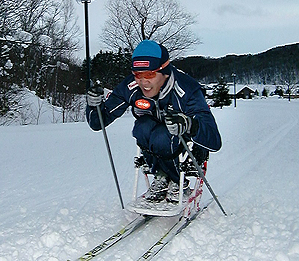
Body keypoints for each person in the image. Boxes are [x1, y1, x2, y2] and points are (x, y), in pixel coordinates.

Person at [86, 39, 221, 202]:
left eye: (149, 74)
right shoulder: (131, 87)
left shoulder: (187, 89)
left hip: (185, 144)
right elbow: (98, 122)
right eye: (138, 74)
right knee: (142, 127)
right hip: (154, 140)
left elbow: (214, 140)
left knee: (163, 136)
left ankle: (178, 182)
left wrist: (190, 124)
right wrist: (94, 106)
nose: (143, 81)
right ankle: (161, 177)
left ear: (164, 71)